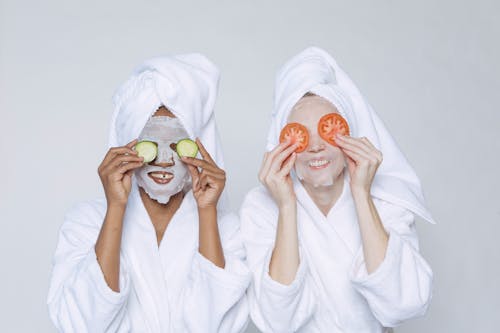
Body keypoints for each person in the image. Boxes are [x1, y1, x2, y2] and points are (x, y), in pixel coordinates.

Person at [47, 53, 251, 332]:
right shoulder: (86, 221)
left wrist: (207, 212)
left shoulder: (227, 229)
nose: (163, 160)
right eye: (150, 145)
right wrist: (116, 207)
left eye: (177, 145)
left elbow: (216, 324)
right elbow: (83, 324)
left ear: (198, 147)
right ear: (127, 147)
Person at [240, 47, 435, 332]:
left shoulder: (385, 201)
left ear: (350, 134)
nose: (316, 146)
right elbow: (277, 320)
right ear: (283, 145)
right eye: (299, 136)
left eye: (329, 129)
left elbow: (403, 304)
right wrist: (286, 206)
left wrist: (361, 194)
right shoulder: (260, 207)